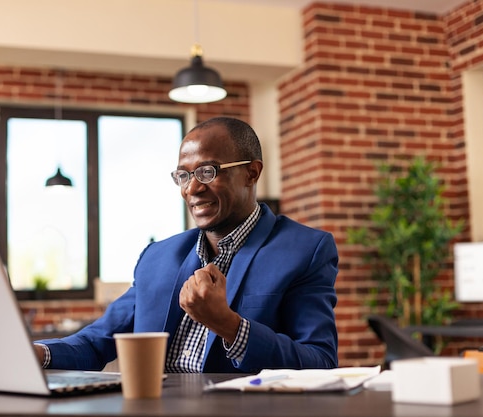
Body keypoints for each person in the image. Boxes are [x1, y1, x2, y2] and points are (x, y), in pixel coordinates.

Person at [33, 116, 339, 373]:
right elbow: (96, 341)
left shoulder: (305, 250)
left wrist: (230, 326)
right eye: (183, 175)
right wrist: (38, 354)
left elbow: (320, 363)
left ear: (251, 173)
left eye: (208, 171)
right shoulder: (158, 257)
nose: (192, 188)